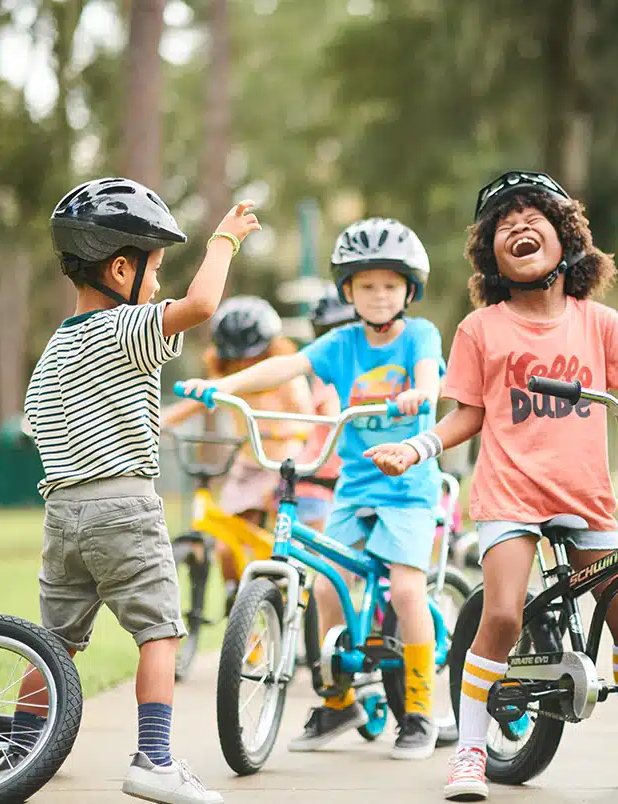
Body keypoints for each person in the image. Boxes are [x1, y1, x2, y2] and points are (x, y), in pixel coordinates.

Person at [364, 170, 618, 800]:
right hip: (510, 493)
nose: (518, 226)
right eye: (503, 223)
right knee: (504, 611)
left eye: (532, 216)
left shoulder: (594, 322)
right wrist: (417, 446)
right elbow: (466, 411)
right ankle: (468, 751)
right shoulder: (481, 329)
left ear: (567, 239)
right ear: (490, 253)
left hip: (584, 496)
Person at [18, 177, 260, 804]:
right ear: (120, 267)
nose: (157, 286)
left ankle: (19, 746)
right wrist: (226, 241)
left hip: (61, 512)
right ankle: (153, 758)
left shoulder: (53, 349)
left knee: (54, 643)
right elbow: (202, 306)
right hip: (123, 505)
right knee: (160, 632)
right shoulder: (124, 328)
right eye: (154, 270)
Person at [179, 217, 446, 760]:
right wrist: (221, 386)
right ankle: (340, 698)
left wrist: (419, 394)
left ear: (409, 291)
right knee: (326, 586)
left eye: (390, 286)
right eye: (366, 286)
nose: (377, 296)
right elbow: (283, 367)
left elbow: (429, 377)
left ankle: (417, 712)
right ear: (348, 290)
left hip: (408, 482)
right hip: (355, 481)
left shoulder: (419, 335)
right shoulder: (341, 343)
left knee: (407, 588)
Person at [162, 295, 314, 612]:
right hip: (246, 464)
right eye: (236, 359)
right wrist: (159, 422)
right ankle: (235, 595)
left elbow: (307, 416)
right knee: (224, 545)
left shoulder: (285, 378)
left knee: (268, 536)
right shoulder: (230, 380)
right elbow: (191, 406)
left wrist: (287, 431)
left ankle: (278, 588)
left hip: (279, 465)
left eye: (252, 357)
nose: (244, 365)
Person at [294, 284, 357, 534]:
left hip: (328, 479)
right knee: (327, 554)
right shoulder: (330, 374)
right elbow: (336, 415)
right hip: (319, 481)